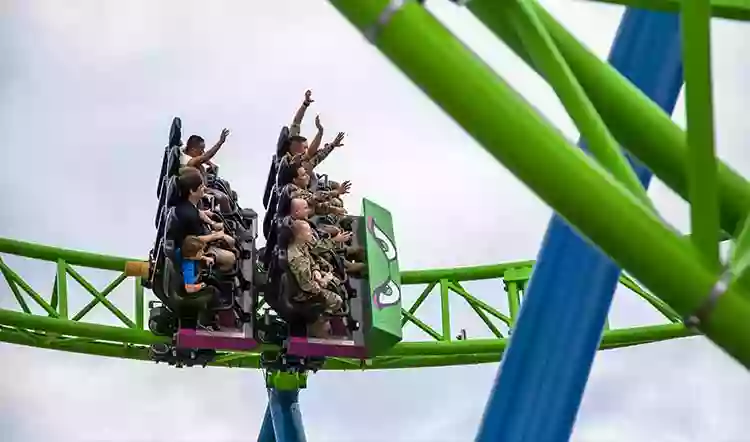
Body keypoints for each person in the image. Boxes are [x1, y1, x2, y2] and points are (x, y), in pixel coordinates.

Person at [171, 167, 236, 272]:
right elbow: (195, 240)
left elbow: (199, 213)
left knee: (231, 241)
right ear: (192, 191)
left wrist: (212, 223)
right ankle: (211, 275)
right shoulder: (189, 215)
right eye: (201, 187)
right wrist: (215, 235)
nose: (204, 188)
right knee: (230, 258)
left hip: (199, 238)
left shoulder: (187, 203)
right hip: (193, 250)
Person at [287, 219, 344, 338]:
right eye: (308, 232)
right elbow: (309, 287)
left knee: (336, 280)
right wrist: (325, 280)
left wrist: (317, 271)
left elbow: (312, 259)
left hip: (310, 280)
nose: (311, 234)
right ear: (300, 235)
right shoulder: (297, 259)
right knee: (337, 300)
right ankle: (318, 324)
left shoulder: (301, 245)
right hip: (304, 293)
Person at [180, 129, 232, 213]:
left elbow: (202, 158)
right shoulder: (188, 161)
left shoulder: (186, 151)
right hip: (198, 191)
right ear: (193, 149)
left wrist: (210, 164)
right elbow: (204, 157)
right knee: (223, 198)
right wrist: (220, 142)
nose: (203, 152)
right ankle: (229, 221)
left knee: (225, 185)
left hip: (203, 185)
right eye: (201, 149)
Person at [178, 235, 221, 328]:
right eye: (200, 252)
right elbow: (188, 289)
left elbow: (194, 256)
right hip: (190, 290)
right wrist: (202, 285)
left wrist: (204, 258)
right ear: (192, 256)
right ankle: (209, 319)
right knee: (213, 290)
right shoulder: (188, 269)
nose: (203, 252)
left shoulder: (186, 255)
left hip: (195, 278)